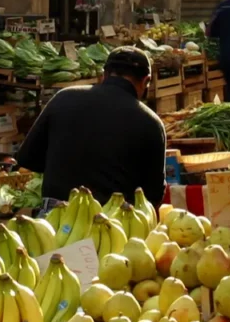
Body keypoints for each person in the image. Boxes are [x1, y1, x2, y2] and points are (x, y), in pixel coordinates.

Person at [16, 47, 166, 208]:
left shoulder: (63, 97)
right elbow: (153, 194)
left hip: (55, 216)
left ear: (104, 75)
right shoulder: (151, 122)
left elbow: (28, 160)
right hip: (113, 223)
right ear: (146, 81)